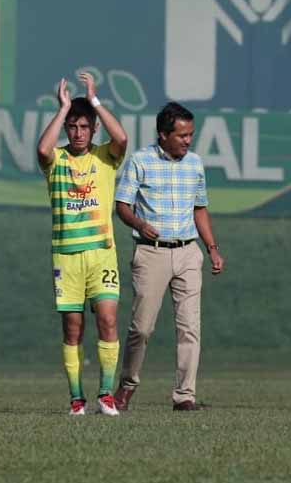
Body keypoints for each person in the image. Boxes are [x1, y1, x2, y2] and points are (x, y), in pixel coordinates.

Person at [113, 101, 224, 411]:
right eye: (182, 135)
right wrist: (139, 224)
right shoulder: (140, 161)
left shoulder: (195, 164)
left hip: (188, 251)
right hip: (152, 253)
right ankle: (127, 385)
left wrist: (211, 248)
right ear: (163, 134)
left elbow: (199, 207)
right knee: (142, 327)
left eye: (191, 135)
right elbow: (121, 205)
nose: (188, 141)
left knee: (190, 327)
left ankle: (185, 395)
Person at [36, 73, 129, 416]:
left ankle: (106, 394)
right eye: (72, 127)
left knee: (108, 320)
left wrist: (95, 102)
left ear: (93, 130)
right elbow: (42, 149)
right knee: (73, 328)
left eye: (83, 127)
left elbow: (122, 137)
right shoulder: (56, 160)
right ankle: (77, 399)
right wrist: (63, 108)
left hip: (102, 254)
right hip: (67, 256)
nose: (77, 133)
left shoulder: (106, 158)